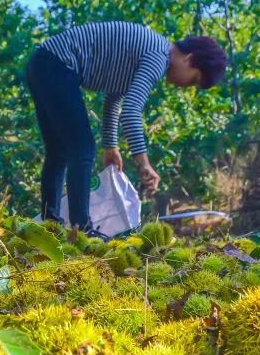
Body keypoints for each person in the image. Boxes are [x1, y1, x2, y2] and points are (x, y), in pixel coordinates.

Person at [26, 22, 226, 237]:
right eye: (193, 80)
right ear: (190, 59)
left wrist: (111, 147)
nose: (186, 86)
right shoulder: (160, 56)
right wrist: (144, 164)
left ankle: (51, 226)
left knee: (60, 153)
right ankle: (81, 230)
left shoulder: (152, 51)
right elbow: (131, 110)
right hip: (58, 65)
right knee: (83, 150)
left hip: (42, 63)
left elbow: (114, 100)